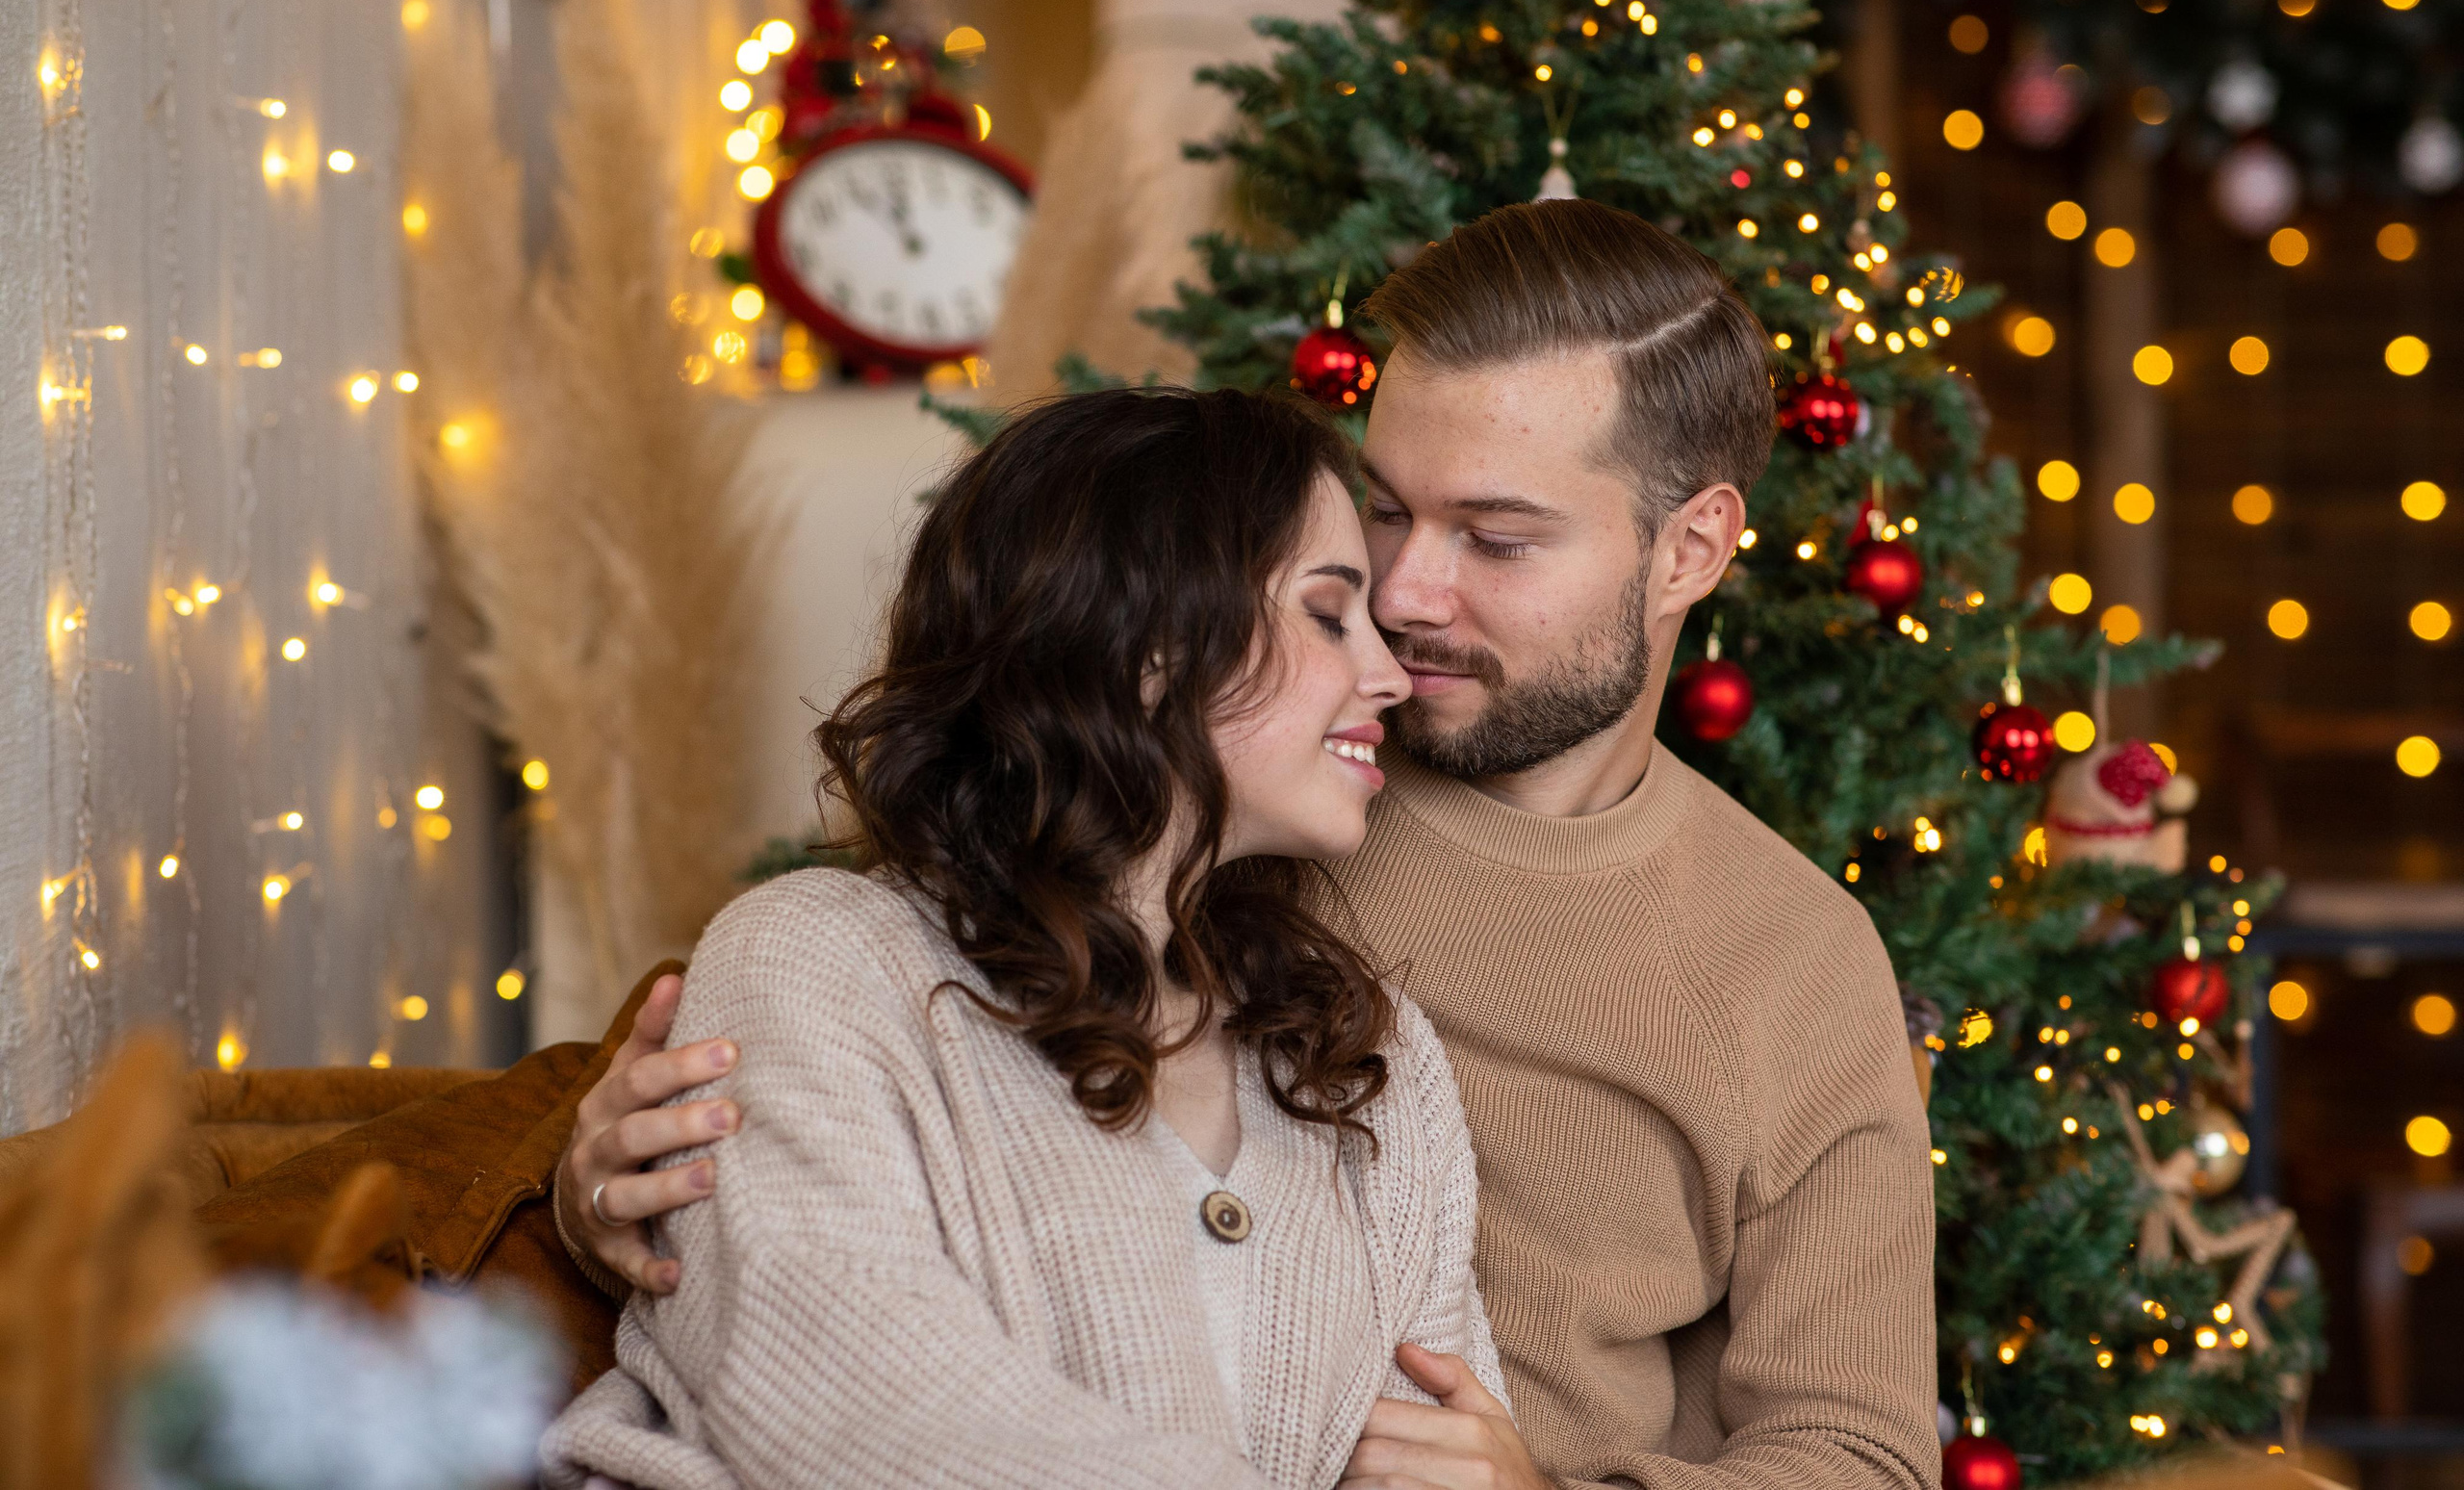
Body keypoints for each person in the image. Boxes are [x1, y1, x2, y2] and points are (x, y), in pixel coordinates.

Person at [560, 200, 1938, 1490]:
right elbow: (856, 1068)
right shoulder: (1222, 782)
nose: (1405, 596)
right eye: (1386, 511)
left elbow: (1860, 1456)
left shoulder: (1788, 959)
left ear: (1691, 549)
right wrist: (623, 1195)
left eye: (1497, 538)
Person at [541, 389, 1516, 1490]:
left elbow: (1441, 1444)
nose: (1390, 676)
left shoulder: (1370, 1058)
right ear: (1147, 646)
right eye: (1328, 614)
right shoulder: (816, 960)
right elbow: (860, 1417)